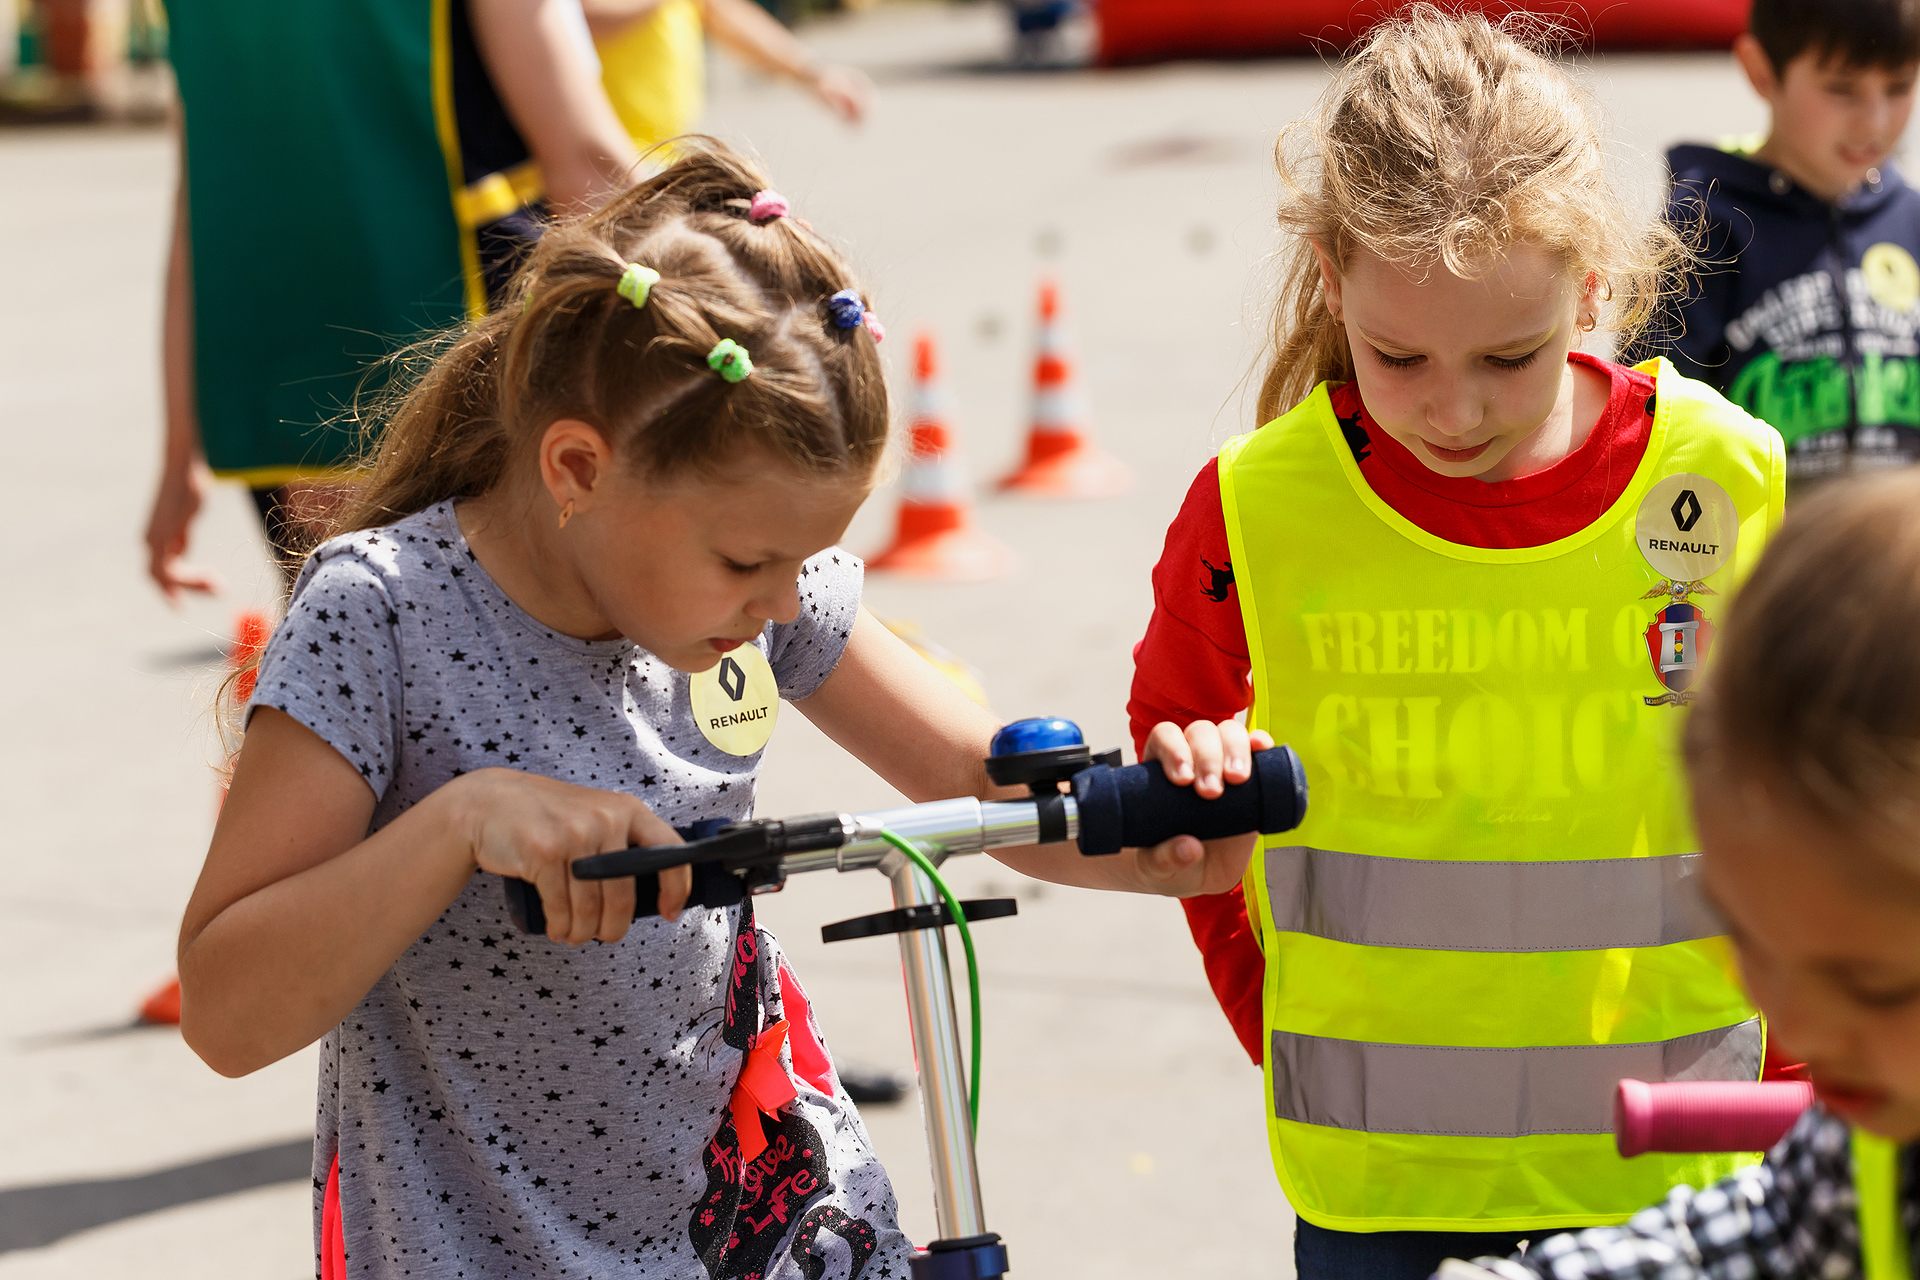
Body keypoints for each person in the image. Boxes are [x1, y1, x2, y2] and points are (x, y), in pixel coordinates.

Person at [174, 140, 1252, 1279]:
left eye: (810, 558)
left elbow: (987, 786)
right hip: (489, 1245)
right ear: (578, 468)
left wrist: (1163, 832)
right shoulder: (381, 617)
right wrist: (457, 824)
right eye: (750, 557)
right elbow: (225, 1008)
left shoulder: (750, 603)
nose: (788, 598)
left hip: (764, 1220)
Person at [1125, 8, 1786, 1278]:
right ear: (1331, 275)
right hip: (1390, 1195)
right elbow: (1183, 829)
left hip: (1691, 1174)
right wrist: (1292, 1028)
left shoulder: (1726, 479)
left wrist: (1799, 1093)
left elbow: (1813, 807)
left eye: (1512, 353)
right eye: (1399, 355)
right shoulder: (1257, 508)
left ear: (1596, 282)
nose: (1454, 405)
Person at [1465, 470, 1920, 1280]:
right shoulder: (1884, 1118)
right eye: (1747, 943)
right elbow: (1774, 1230)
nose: (1801, 1030)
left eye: (1874, 986)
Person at [148, 0, 640, 595]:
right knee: (499, 659)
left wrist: (181, 450)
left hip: (281, 376)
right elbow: (588, 170)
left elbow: (203, 195)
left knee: (340, 652)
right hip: (458, 355)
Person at [1623, 0, 1920, 496]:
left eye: (1899, 87)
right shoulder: (1702, 227)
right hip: (1759, 562)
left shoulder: (1912, 220)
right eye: (1841, 89)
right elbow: (1646, 423)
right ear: (1761, 71)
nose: (1875, 122)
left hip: (1897, 558)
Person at [583, 0, 870, 153]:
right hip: (585, 164)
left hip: (657, 157)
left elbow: (721, 11)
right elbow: (585, 13)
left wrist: (813, 72)